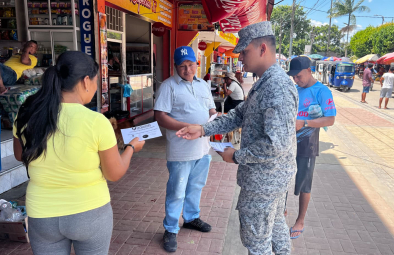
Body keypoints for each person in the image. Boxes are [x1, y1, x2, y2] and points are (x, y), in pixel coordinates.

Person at [176, 21, 298, 255]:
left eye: (244, 51)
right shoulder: (264, 83)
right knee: (274, 231)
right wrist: (202, 130)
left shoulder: (277, 87)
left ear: (263, 48)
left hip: (264, 183)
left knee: (258, 243)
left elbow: (276, 145)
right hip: (269, 181)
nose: (240, 57)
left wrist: (237, 156)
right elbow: (237, 115)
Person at [13, 51, 145, 255]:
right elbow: (114, 173)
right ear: (85, 81)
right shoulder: (96, 122)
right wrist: (131, 148)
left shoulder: (28, 114)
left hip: (42, 214)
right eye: (95, 81)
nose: (94, 87)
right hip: (89, 213)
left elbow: (19, 155)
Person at [154, 46, 217, 253]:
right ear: (175, 66)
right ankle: (171, 229)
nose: (187, 69)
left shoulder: (203, 85)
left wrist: (214, 118)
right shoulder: (168, 86)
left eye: (190, 65)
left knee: (196, 185)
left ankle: (191, 218)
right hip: (181, 151)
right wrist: (185, 127)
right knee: (176, 191)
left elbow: (211, 109)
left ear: (196, 64)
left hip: (203, 147)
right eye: (182, 66)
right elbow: (160, 116)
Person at [286, 56, 336, 239]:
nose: (296, 80)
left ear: (309, 71)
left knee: (305, 183)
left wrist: (305, 122)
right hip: (288, 143)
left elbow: (330, 119)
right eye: (293, 77)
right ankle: (281, 211)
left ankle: (300, 220)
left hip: (308, 144)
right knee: (283, 177)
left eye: (298, 76)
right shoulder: (296, 90)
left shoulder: (322, 92)